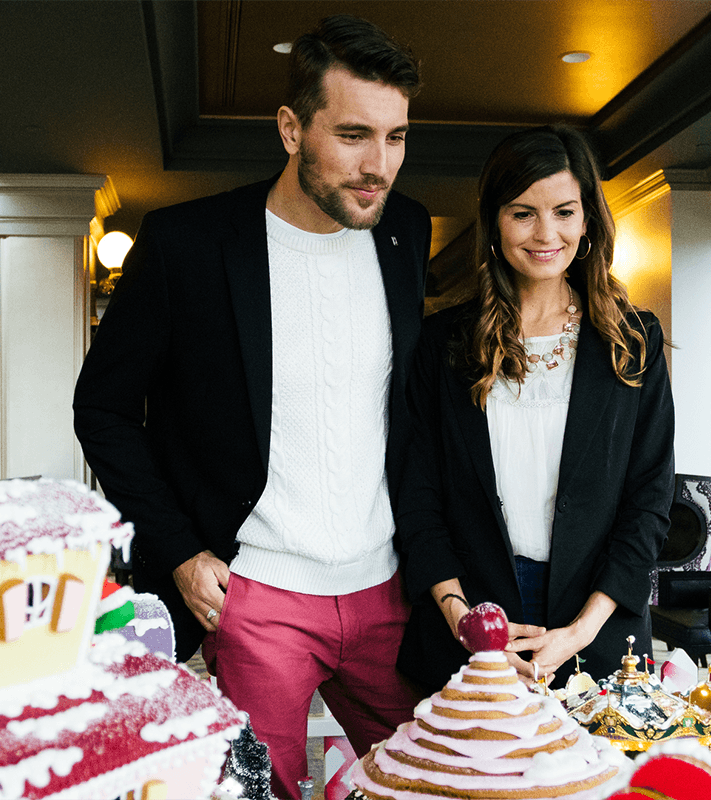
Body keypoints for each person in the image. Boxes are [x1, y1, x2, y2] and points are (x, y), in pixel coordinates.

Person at [73, 15, 430, 799]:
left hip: (389, 591)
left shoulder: (405, 231)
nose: (380, 166)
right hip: (255, 595)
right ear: (291, 128)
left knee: (439, 782)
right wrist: (177, 549)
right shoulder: (185, 245)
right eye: (354, 135)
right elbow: (101, 408)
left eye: (397, 137)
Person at [395, 125, 674, 693]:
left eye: (564, 212)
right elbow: (417, 495)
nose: (546, 233)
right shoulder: (442, 342)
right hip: (467, 621)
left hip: (600, 629)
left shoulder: (633, 340)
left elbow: (648, 501)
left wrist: (578, 633)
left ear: (589, 219)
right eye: (523, 213)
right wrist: (464, 620)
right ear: (494, 223)